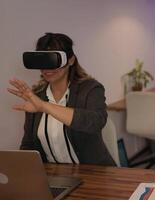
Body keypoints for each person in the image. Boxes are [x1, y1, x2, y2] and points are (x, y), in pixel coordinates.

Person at [7, 33, 116, 166]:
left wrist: (44, 106)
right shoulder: (36, 95)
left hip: (95, 174)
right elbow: (29, 144)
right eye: (43, 61)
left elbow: (95, 122)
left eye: (52, 60)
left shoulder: (90, 89)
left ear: (70, 60)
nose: (47, 68)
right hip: (55, 176)